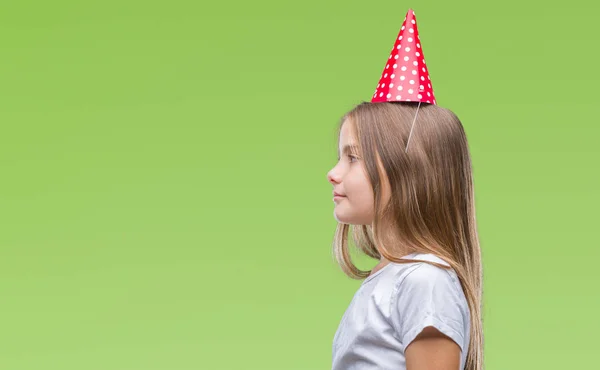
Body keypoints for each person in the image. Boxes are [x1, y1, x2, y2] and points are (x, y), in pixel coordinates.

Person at [327, 9, 484, 370]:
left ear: (406, 173)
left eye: (352, 158)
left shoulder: (425, 282)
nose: (333, 173)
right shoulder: (395, 278)